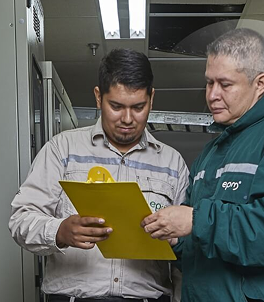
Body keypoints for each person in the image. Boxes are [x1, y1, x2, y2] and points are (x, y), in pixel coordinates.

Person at [142, 28, 264, 302]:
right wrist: (172, 238)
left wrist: (195, 220)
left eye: (225, 84)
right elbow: (199, 248)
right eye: (209, 83)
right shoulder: (211, 152)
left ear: (260, 83)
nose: (212, 95)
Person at [10, 48, 189, 302]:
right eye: (116, 106)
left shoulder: (173, 163)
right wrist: (60, 231)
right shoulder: (62, 150)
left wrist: (174, 237)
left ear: (152, 98)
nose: (127, 119)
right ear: (98, 97)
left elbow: (187, 252)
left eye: (138, 107)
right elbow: (20, 219)